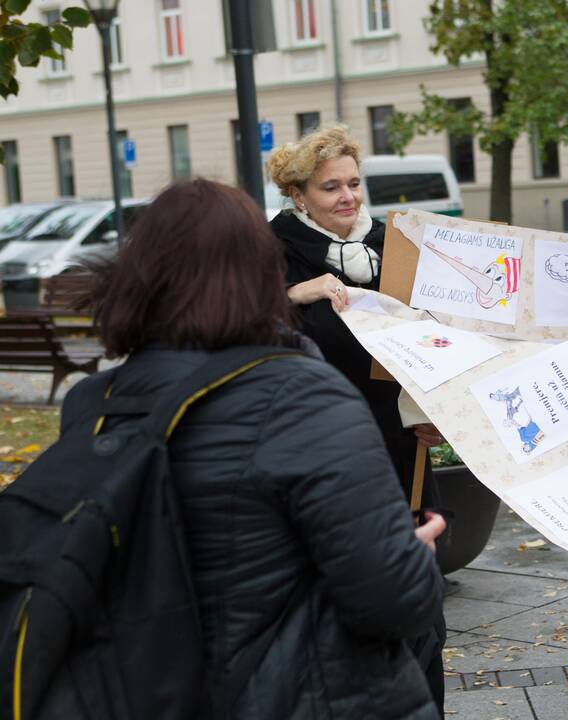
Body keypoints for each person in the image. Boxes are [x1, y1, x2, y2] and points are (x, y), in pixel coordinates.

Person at [70, 179, 446, 719]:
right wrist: (417, 560)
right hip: (289, 691)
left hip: (144, 687)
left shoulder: (93, 402)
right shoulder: (304, 396)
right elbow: (391, 600)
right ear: (257, 272)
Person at [265, 126, 449, 712]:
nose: (348, 197)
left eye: (353, 182)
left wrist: (431, 412)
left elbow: (433, 335)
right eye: (330, 187)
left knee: (420, 600)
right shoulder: (273, 250)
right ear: (298, 196)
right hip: (324, 449)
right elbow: (246, 320)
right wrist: (297, 293)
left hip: (403, 443)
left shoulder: (394, 243)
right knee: (349, 599)